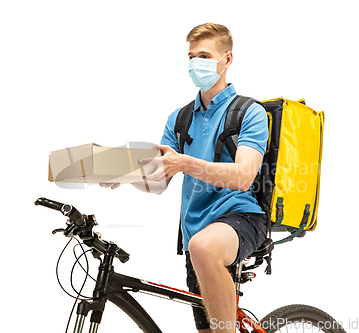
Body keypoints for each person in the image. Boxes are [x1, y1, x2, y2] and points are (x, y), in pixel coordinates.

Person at [101, 23, 268, 333]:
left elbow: (244, 177)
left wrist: (184, 162)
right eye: (191, 57)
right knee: (201, 256)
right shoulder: (179, 118)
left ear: (227, 59)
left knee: (203, 248)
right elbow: (160, 180)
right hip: (196, 234)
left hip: (242, 218)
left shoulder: (250, 112)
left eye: (204, 56)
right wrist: (126, 175)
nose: (195, 64)